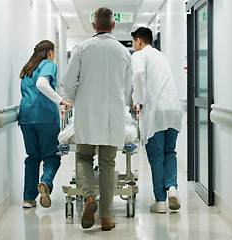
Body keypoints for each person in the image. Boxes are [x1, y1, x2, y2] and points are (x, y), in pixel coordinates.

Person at [63, 7, 132, 231]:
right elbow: (128, 90)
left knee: (83, 157)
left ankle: (89, 198)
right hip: (113, 115)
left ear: (94, 26)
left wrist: (80, 100)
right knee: (107, 164)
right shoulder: (124, 52)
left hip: (87, 113)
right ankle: (107, 218)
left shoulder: (82, 48)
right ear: (113, 26)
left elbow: (68, 82)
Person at [130, 27, 183, 213]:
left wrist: (137, 100)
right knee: (170, 151)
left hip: (156, 111)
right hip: (174, 109)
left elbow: (137, 74)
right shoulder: (161, 56)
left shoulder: (139, 55)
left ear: (138, 40)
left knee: (156, 155)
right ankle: (173, 188)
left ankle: (160, 201)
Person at [18, 40, 71, 209]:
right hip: (46, 118)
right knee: (51, 156)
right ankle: (46, 183)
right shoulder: (48, 64)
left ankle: (28, 199)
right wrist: (60, 100)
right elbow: (42, 84)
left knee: (32, 158)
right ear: (49, 52)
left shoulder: (28, 68)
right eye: (54, 52)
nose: (54, 56)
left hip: (27, 118)